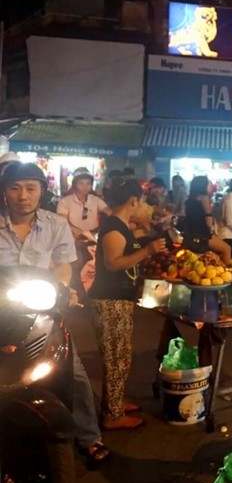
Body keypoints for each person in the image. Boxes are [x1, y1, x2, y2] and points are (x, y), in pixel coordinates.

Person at [0, 162, 110, 465]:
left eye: (30, 188)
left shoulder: (55, 224)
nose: (23, 195)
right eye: (15, 187)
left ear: (41, 192)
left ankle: (89, 436)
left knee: (72, 370)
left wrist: (63, 288)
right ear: (5, 193)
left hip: (40, 309)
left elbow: (63, 264)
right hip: (1, 311)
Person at [89, 177, 166, 430]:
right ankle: (112, 416)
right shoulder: (113, 228)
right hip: (109, 300)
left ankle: (115, 402)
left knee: (120, 355)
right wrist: (148, 251)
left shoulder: (120, 224)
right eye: (140, 201)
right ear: (134, 200)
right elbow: (113, 263)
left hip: (118, 298)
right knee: (116, 357)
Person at [183, 175, 232, 264]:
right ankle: (228, 272)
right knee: (227, 249)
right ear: (203, 185)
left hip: (191, 234)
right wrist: (212, 231)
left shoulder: (189, 200)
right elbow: (208, 217)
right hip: (203, 235)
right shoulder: (204, 198)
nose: (211, 185)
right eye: (209, 183)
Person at [57, 169, 110, 239]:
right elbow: (62, 222)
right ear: (75, 185)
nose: (85, 187)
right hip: (73, 236)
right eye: (81, 183)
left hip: (93, 235)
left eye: (88, 183)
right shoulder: (65, 202)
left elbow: (110, 212)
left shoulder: (95, 200)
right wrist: (77, 232)